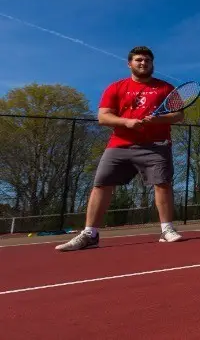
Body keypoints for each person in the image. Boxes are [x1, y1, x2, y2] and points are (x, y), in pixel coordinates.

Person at [56, 46, 184, 251]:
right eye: (139, 60)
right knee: (101, 185)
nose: (143, 63)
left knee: (163, 183)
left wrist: (158, 119)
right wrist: (127, 122)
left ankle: (166, 229)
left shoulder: (166, 88)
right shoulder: (115, 87)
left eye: (147, 61)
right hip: (119, 145)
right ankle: (90, 234)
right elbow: (103, 116)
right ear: (130, 64)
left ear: (152, 64)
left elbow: (179, 115)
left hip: (156, 146)